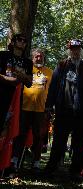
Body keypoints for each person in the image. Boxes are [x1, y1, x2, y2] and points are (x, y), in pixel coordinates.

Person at [44, 39, 83, 180]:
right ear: (69, 50)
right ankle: (52, 168)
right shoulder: (61, 65)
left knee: (80, 144)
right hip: (63, 111)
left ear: (81, 51)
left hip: (82, 113)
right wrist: (49, 105)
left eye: (78, 49)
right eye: (72, 49)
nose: (75, 51)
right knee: (58, 142)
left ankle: (75, 171)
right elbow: (53, 86)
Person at [9, 49, 52, 172]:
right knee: (20, 134)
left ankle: (36, 164)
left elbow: (52, 91)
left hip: (41, 110)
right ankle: (15, 161)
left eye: (41, 56)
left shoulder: (50, 72)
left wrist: (49, 108)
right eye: (36, 56)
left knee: (38, 137)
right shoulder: (27, 70)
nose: (39, 58)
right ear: (32, 58)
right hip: (24, 108)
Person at [0, 34, 33, 173]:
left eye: (25, 41)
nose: (22, 42)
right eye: (19, 39)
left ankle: (5, 165)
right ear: (13, 42)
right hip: (1, 97)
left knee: (8, 131)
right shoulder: (2, 56)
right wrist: (10, 80)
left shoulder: (27, 62)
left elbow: (29, 82)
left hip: (15, 102)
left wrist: (22, 76)